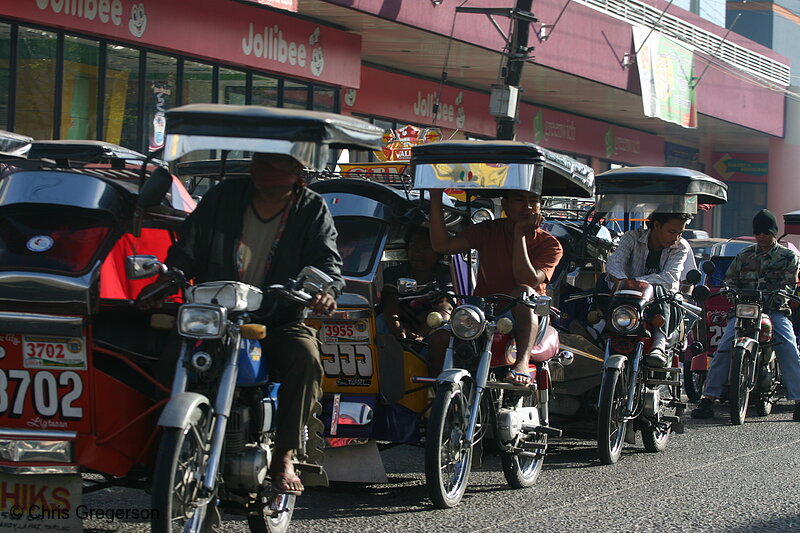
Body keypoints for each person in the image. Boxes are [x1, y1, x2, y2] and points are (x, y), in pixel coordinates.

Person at [164, 152, 344, 493]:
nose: (264, 168)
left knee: (305, 358)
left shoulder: (311, 208)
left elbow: (327, 262)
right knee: (166, 347)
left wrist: (325, 291)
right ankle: (162, 449)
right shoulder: (223, 195)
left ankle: (285, 456)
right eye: (261, 160)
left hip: (278, 316)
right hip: (216, 315)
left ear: (295, 170)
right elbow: (188, 246)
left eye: (276, 162)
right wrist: (173, 273)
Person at [428, 189, 563, 385]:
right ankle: (439, 401)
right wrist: (435, 197)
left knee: (523, 291)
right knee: (438, 340)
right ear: (505, 205)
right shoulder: (488, 230)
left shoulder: (551, 245)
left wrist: (520, 236)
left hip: (528, 314)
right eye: (518, 200)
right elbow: (442, 246)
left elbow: (526, 279)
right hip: (485, 312)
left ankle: (522, 363)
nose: (527, 207)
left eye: (533, 201)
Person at [692, 209, 800, 421]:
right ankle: (708, 399)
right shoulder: (744, 255)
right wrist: (732, 295)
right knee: (723, 348)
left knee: (789, 346)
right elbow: (731, 280)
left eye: (766, 232)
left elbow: (789, 285)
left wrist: (777, 299)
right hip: (744, 311)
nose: (761, 236)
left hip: (774, 311)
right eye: (758, 232)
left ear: (774, 233)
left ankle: (798, 400)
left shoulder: (788, 257)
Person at [605, 212, 694, 367]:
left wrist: (630, 283)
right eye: (672, 232)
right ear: (656, 225)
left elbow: (668, 279)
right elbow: (613, 265)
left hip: (662, 301)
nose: (675, 238)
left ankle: (659, 344)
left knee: (659, 289)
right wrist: (624, 285)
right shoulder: (631, 237)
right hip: (627, 300)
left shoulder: (681, 247)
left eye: (680, 233)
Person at [380, 226, 453, 370]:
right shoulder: (394, 272)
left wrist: (421, 336)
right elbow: (390, 302)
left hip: (430, 330)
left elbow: (446, 307)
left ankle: (436, 384)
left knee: (444, 335)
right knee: (378, 322)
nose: (418, 251)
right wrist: (399, 331)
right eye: (414, 245)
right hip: (400, 328)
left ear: (437, 252)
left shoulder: (445, 273)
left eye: (425, 246)